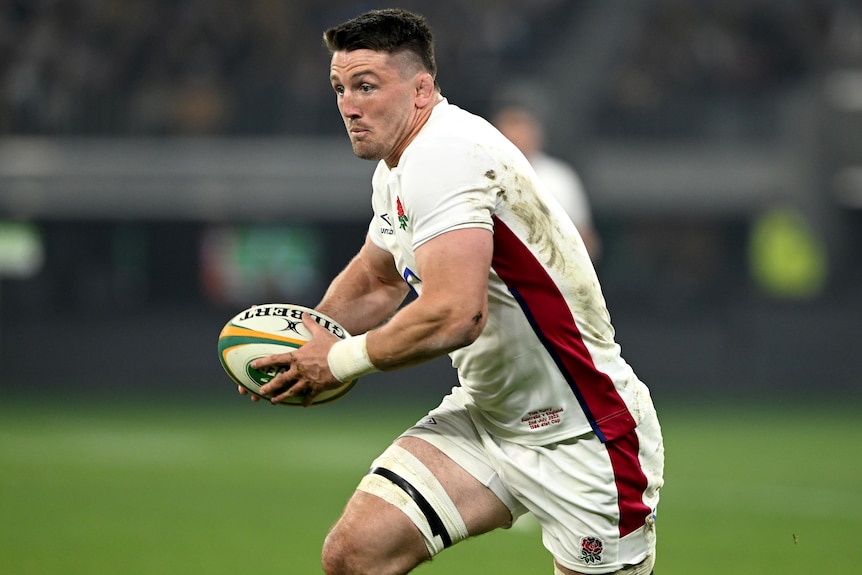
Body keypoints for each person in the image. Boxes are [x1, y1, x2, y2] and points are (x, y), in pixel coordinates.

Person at [242, 9, 664, 575]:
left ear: (421, 89)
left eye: (367, 86)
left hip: (583, 432)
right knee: (355, 556)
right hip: (488, 418)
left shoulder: (445, 154)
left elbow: (455, 315)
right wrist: (300, 345)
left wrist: (336, 361)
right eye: (340, 87)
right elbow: (377, 278)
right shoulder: (397, 167)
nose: (348, 104)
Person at [492, 103, 601, 261]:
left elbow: (586, 241)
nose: (514, 136)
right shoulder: (481, 176)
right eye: (509, 126)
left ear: (536, 133)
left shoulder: (559, 178)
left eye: (520, 126)